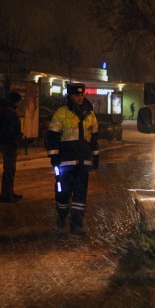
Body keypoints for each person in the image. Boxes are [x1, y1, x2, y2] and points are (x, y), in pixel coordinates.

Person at [45, 83, 100, 235]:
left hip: (83, 162)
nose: (80, 97)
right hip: (65, 162)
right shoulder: (61, 113)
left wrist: (95, 156)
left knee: (80, 195)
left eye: (82, 95)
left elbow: (94, 139)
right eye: (77, 95)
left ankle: (76, 225)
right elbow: (52, 136)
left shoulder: (90, 114)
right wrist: (54, 155)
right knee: (63, 192)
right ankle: (62, 216)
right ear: (69, 96)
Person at [0, 91, 23, 203]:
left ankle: (9, 192)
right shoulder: (10, 112)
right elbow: (10, 130)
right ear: (16, 101)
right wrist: (14, 140)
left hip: (7, 143)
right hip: (9, 144)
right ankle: (6, 195)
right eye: (20, 100)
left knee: (10, 169)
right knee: (9, 169)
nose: (21, 103)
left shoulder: (6, 110)